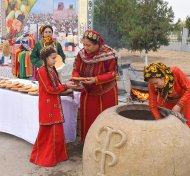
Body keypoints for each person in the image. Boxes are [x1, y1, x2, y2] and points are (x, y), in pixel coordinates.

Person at [30, 46, 77, 167]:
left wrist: (67, 85)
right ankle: (45, 158)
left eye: (55, 58)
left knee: (57, 131)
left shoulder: (52, 69)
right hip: (47, 105)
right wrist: (65, 86)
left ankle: (58, 156)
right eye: (53, 58)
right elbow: (50, 89)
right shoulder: (41, 71)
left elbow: (58, 85)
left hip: (54, 103)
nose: (55, 60)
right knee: (48, 133)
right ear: (45, 58)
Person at [72, 30, 118, 143]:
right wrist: (77, 78)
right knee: (88, 118)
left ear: (97, 44)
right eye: (84, 44)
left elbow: (113, 73)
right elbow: (76, 70)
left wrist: (96, 79)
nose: (85, 48)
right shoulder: (81, 54)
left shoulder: (108, 54)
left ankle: (105, 145)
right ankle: (88, 143)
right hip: (88, 91)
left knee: (104, 119)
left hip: (106, 93)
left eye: (89, 45)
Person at [144, 62, 190, 126]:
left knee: (188, 121)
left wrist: (179, 105)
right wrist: (159, 121)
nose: (155, 86)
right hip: (166, 100)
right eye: (152, 84)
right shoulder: (151, 84)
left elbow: (189, 88)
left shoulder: (175, 72)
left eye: (156, 83)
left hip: (185, 98)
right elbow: (153, 105)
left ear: (162, 77)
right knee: (165, 118)